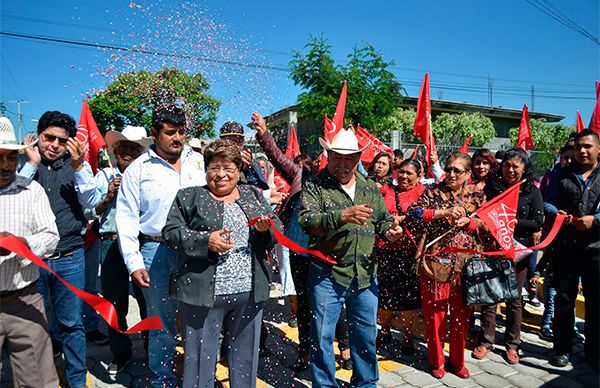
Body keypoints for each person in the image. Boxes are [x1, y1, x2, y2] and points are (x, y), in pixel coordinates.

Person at [162, 140, 281, 388]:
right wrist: (205, 240)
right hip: (204, 295)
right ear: (206, 170)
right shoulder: (190, 196)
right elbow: (171, 232)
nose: (221, 175)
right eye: (214, 168)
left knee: (246, 359)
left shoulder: (253, 195)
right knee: (199, 362)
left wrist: (264, 229)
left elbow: (275, 229)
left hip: (249, 293)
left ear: (238, 170)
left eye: (228, 168)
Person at [299, 127, 403, 387]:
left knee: (366, 334)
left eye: (348, 159)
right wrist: (342, 216)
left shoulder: (369, 187)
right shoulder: (315, 185)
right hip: (327, 274)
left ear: (358, 159)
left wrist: (391, 231)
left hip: (365, 274)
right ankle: (325, 385)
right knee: (322, 336)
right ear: (328, 156)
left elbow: (383, 221)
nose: (342, 164)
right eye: (337, 158)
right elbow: (307, 221)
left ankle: (366, 383)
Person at [252, 112, 352, 371]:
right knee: (306, 304)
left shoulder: (343, 184)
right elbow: (277, 156)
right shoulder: (300, 174)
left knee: (332, 302)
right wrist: (264, 132)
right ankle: (305, 350)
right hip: (299, 250)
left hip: (328, 254)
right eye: (325, 153)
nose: (326, 158)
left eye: (334, 155)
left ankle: (344, 346)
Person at [116, 105, 206, 387]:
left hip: (197, 250)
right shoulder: (138, 170)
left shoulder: (199, 162)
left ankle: (197, 378)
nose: (177, 138)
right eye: (170, 132)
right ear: (155, 133)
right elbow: (126, 218)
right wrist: (134, 262)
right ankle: (162, 380)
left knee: (198, 321)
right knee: (161, 324)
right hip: (156, 251)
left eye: (181, 131)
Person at [19, 110, 103, 387]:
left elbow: (91, 201)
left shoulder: (76, 165)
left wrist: (79, 167)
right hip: (33, 259)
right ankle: (46, 376)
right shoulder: (22, 165)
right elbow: (12, 200)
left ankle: (77, 379)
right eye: (48, 137)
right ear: (38, 136)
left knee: (72, 324)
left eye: (61, 140)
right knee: (39, 325)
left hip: (70, 256)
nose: (54, 145)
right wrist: (31, 166)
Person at [408, 151, 486, 379]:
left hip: (466, 265)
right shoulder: (432, 192)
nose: (451, 174)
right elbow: (413, 213)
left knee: (462, 317)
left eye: (457, 171)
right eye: (449, 168)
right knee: (435, 316)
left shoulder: (478, 196)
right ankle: (436, 361)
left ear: (468, 174)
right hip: (434, 264)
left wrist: (470, 223)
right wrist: (443, 212)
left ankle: (458, 361)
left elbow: (488, 225)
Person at [86, 125, 152, 374]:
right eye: (122, 147)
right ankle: (121, 353)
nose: (126, 152)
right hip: (110, 243)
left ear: (139, 153)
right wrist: (107, 196)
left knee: (147, 301)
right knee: (114, 304)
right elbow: (89, 212)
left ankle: (151, 349)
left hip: (140, 243)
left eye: (132, 148)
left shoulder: (146, 175)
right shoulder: (103, 176)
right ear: (115, 151)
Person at [473, 148, 544, 365]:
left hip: (517, 252)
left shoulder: (532, 192)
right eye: (507, 166)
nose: (510, 170)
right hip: (493, 247)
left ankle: (513, 344)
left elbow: (537, 222)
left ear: (524, 168)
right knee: (490, 297)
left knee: (514, 300)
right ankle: (486, 341)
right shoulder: (495, 188)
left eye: (515, 166)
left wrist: (511, 222)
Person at [0, 139, 60, 388]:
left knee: (38, 380)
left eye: (12, 157)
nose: (6, 165)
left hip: (25, 301)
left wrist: (22, 243)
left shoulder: (32, 191)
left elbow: (51, 237)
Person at [544, 129, 599, 371]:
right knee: (564, 299)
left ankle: (594, 352)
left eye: (587, 146)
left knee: (596, 302)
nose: (582, 151)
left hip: (596, 248)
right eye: (578, 147)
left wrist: (595, 220)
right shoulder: (560, 174)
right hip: (565, 246)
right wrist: (557, 214)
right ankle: (561, 349)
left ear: (598, 149)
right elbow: (547, 201)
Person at [376, 159, 425, 355]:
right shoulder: (386, 190)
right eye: (401, 172)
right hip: (383, 249)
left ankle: (407, 336)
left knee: (407, 300)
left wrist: (402, 219)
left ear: (419, 176)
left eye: (409, 173)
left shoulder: (423, 193)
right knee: (384, 296)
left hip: (408, 253)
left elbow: (423, 215)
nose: (404, 176)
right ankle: (384, 331)